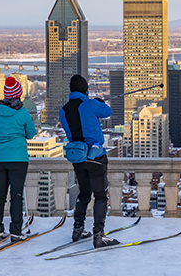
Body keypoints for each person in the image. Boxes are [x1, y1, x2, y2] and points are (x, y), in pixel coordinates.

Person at [59, 74, 120, 248]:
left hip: (77, 157)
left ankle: (77, 230)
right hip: (95, 156)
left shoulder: (63, 110)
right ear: (85, 89)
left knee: (84, 194)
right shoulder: (90, 104)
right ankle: (99, 235)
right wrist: (97, 102)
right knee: (100, 196)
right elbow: (107, 112)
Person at [0, 76, 36, 242]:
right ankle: (16, 231)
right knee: (17, 195)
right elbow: (31, 134)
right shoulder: (23, 113)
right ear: (19, 96)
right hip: (19, 159)